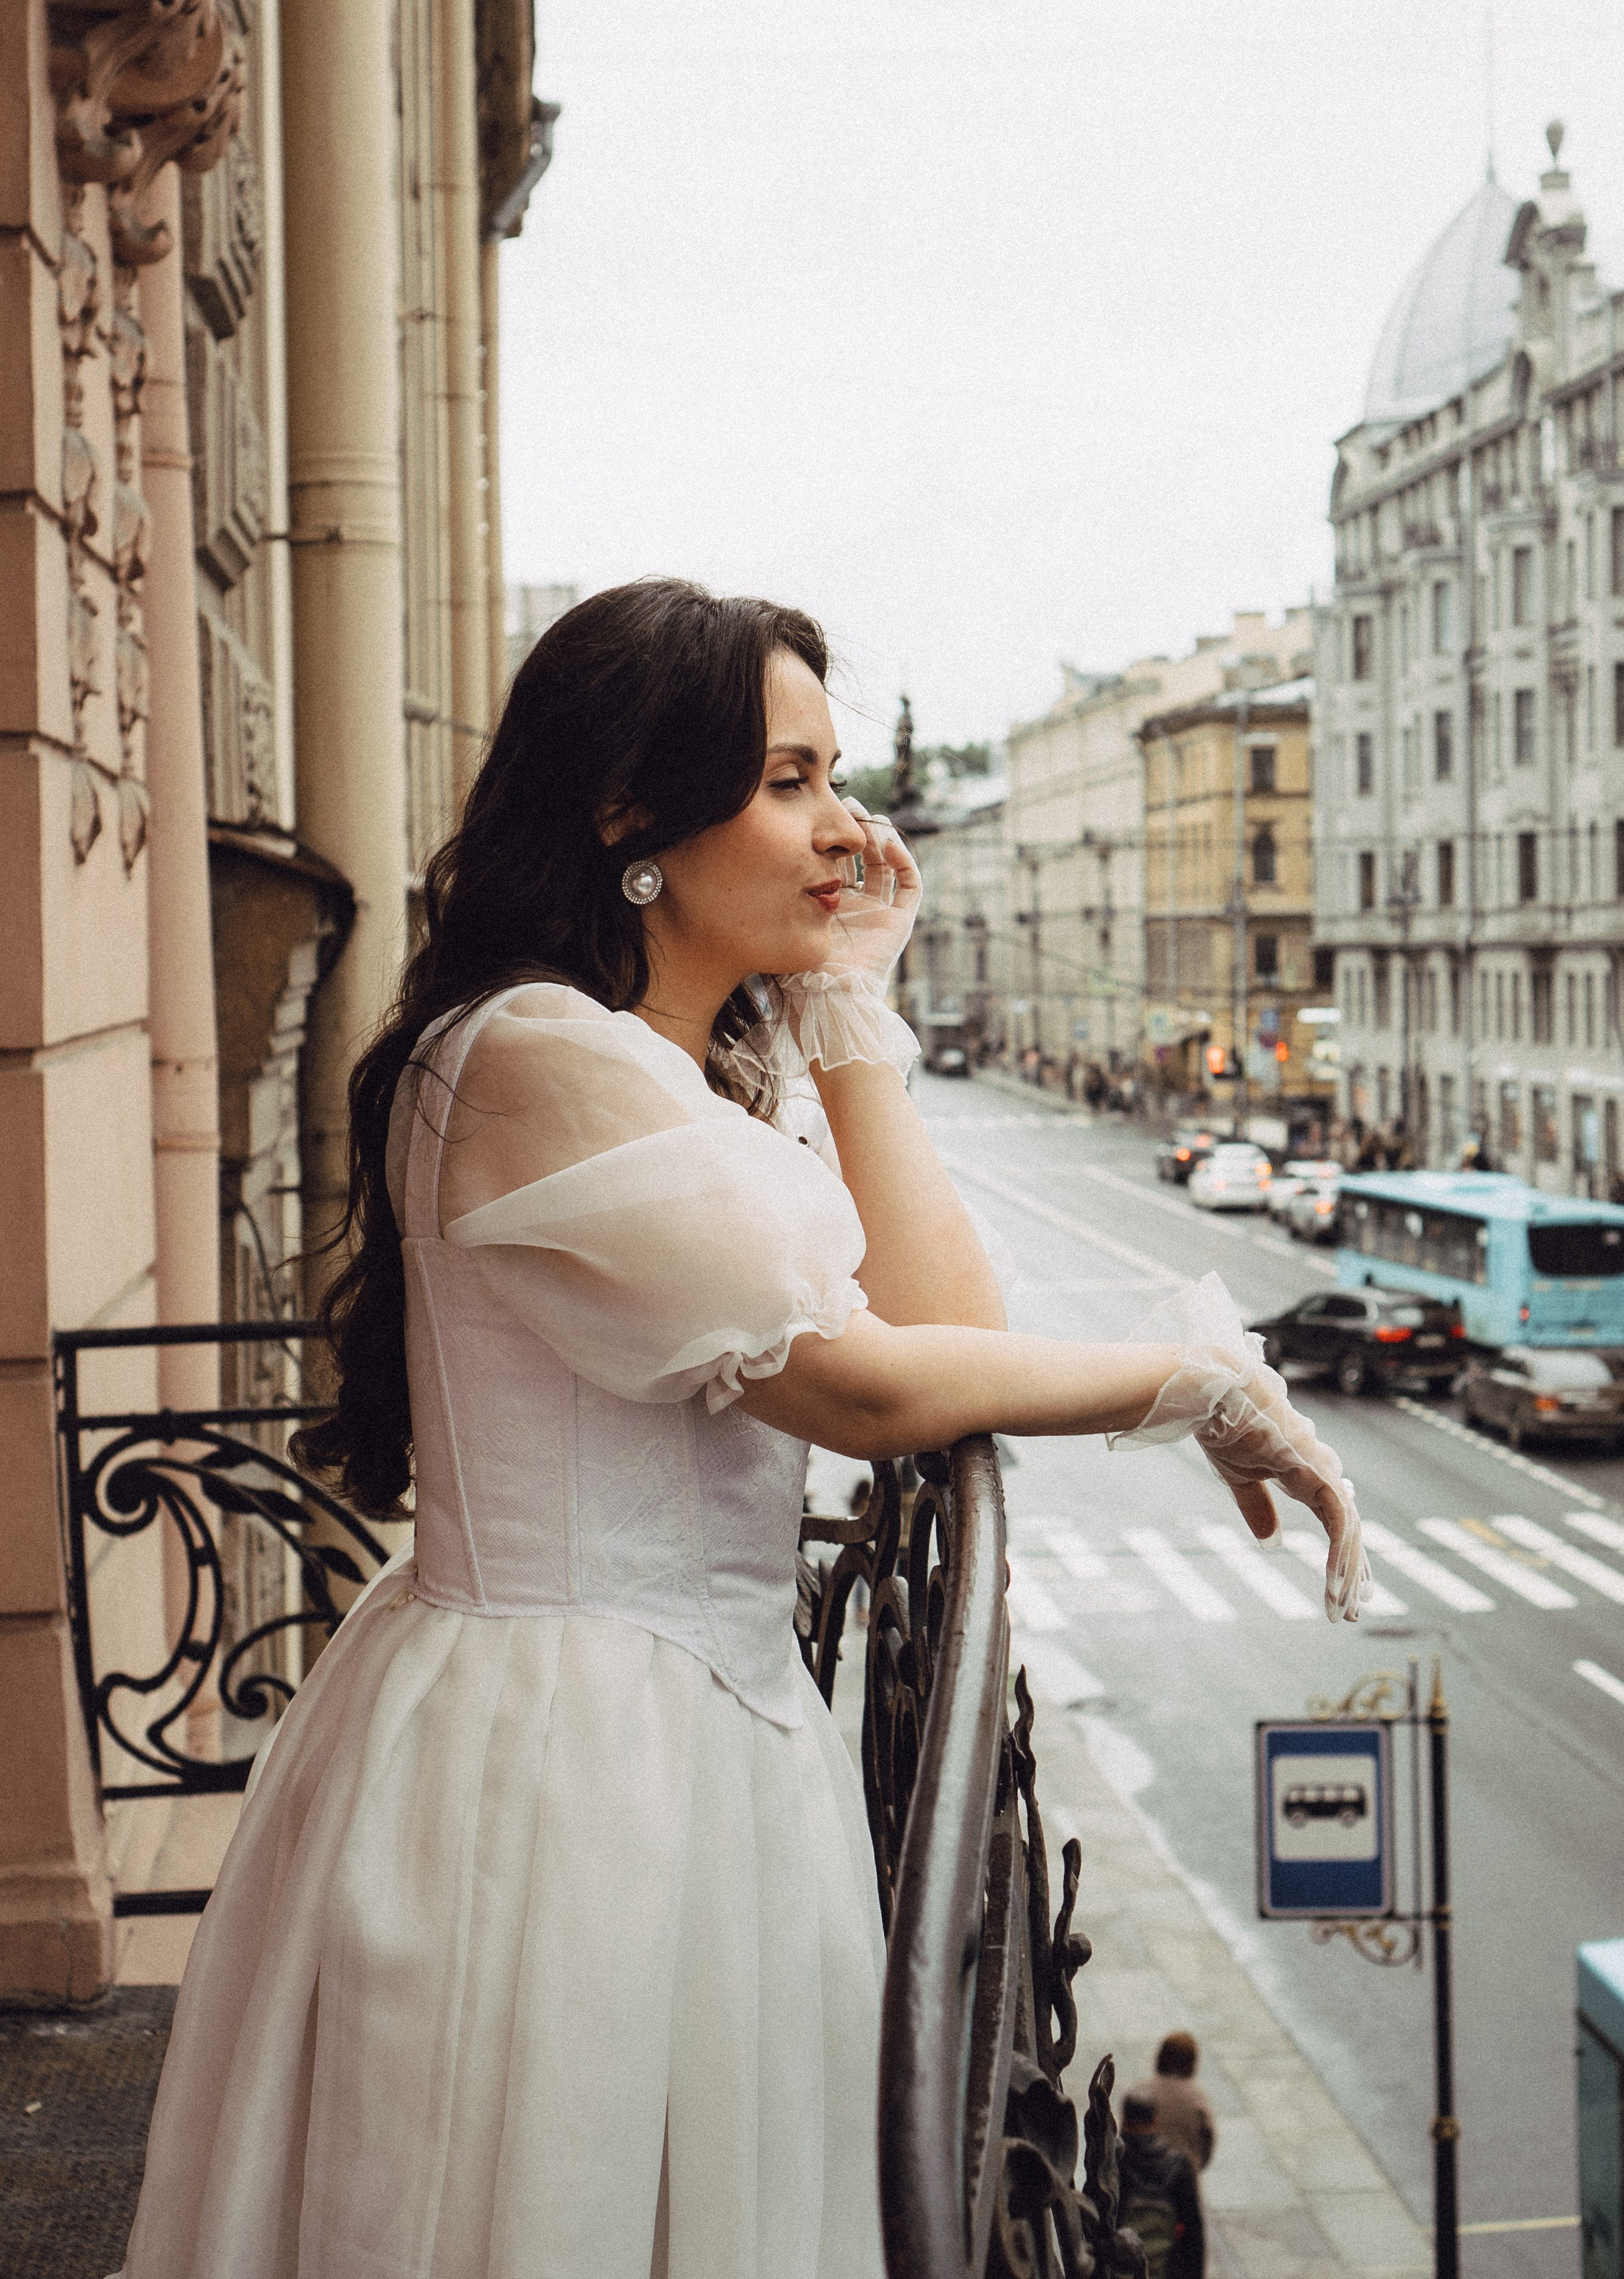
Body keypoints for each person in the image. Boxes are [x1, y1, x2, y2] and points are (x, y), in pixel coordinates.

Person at [114, 582, 1366, 2278]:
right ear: (629, 815)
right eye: (789, 781)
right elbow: (863, 1386)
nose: (846, 829)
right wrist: (1197, 1378)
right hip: (568, 1768)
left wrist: (847, 1013)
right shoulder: (536, 1055)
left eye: (835, 776)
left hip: (685, 1741)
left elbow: (945, 1325)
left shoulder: (662, 1063)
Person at [1116, 2092, 1203, 2279]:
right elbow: (1193, 2231)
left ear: (1123, 2118)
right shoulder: (1178, 2164)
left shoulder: (1113, 2162)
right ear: (1155, 2119)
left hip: (1122, 2269)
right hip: (1168, 2268)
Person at [1129, 2030, 1216, 2172]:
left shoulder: (1142, 2092)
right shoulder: (1196, 2099)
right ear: (1192, 2063)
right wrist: (1195, 2167)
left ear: (1161, 2057)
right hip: (1182, 2176)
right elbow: (1207, 2142)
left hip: (1142, 2174)